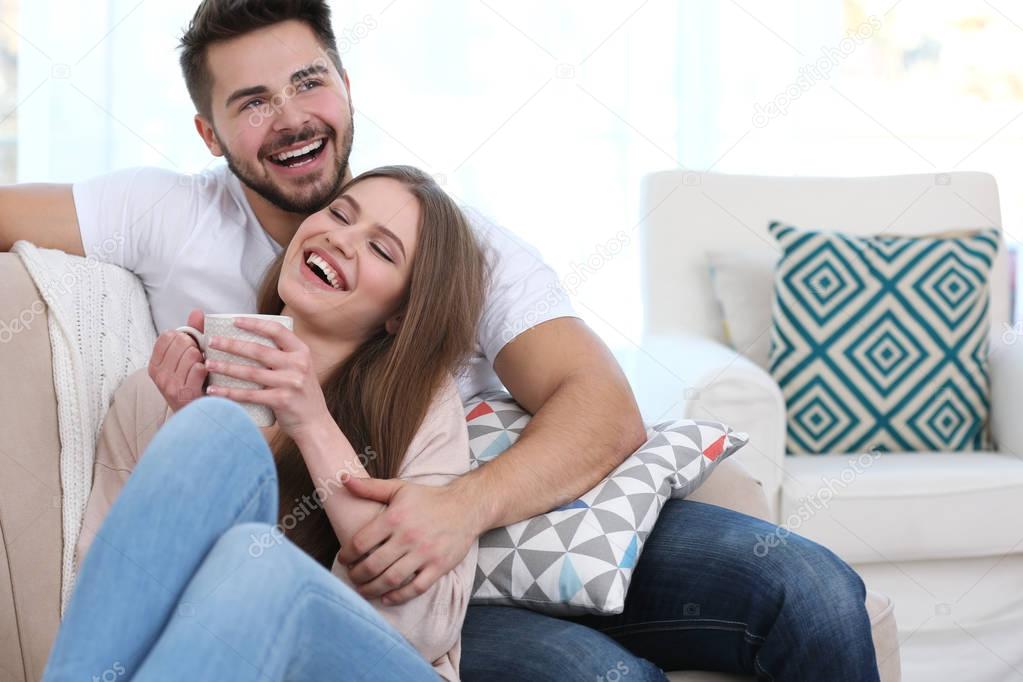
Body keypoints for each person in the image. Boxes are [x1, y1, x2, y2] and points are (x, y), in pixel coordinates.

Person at [2, 1, 881, 679]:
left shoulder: (457, 260)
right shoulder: (169, 216)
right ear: (211, 132)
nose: (293, 116)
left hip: (489, 530)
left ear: (345, 85)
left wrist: (455, 510)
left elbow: (600, 409)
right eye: (253, 101)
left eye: (309, 81)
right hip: (333, 570)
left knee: (808, 589)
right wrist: (185, 408)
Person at [46, 165, 486, 681]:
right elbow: (108, 606)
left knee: (264, 566)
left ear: (400, 313)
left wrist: (312, 423)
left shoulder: (421, 409)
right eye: (340, 214)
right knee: (215, 435)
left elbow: (421, 628)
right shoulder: (157, 394)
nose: (341, 239)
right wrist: (185, 428)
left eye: (381, 250)